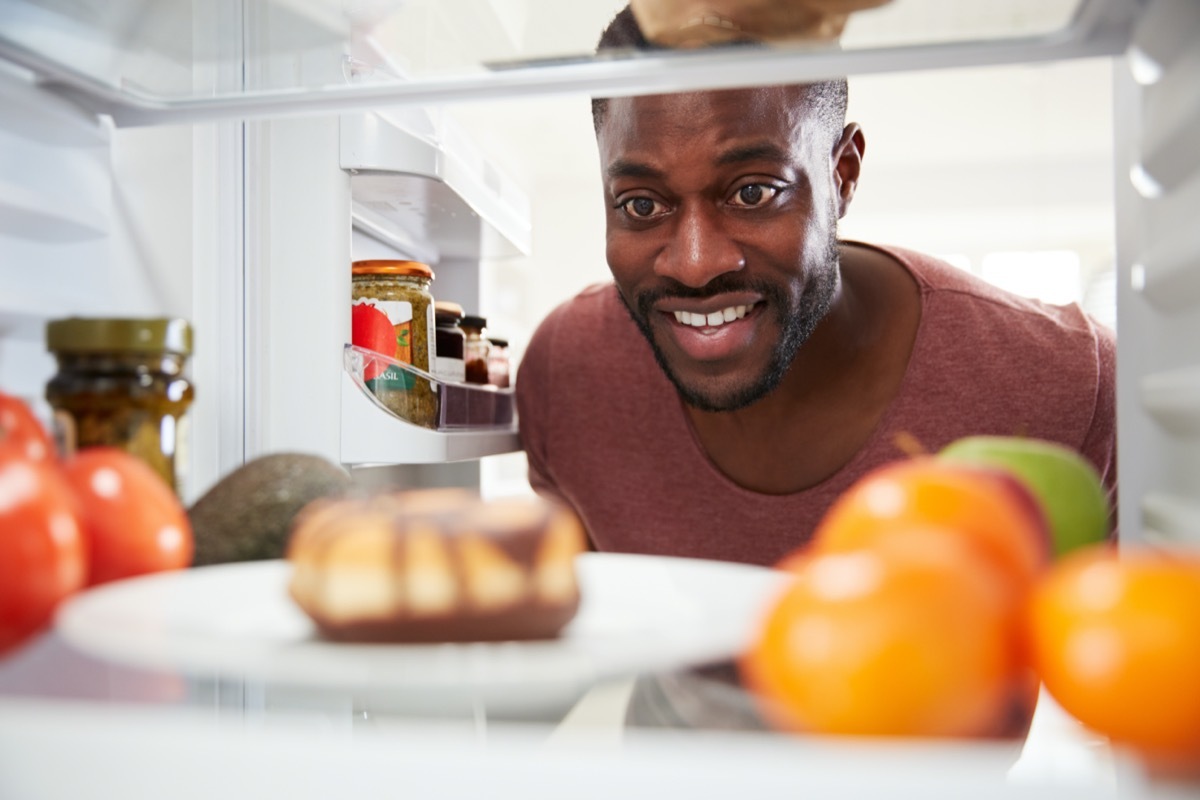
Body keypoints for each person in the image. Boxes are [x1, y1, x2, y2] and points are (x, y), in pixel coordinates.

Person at [515, 6, 1117, 567]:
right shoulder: (565, 377)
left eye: (753, 192)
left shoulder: (1067, 380)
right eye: (641, 204)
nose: (696, 265)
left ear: (842, 175)